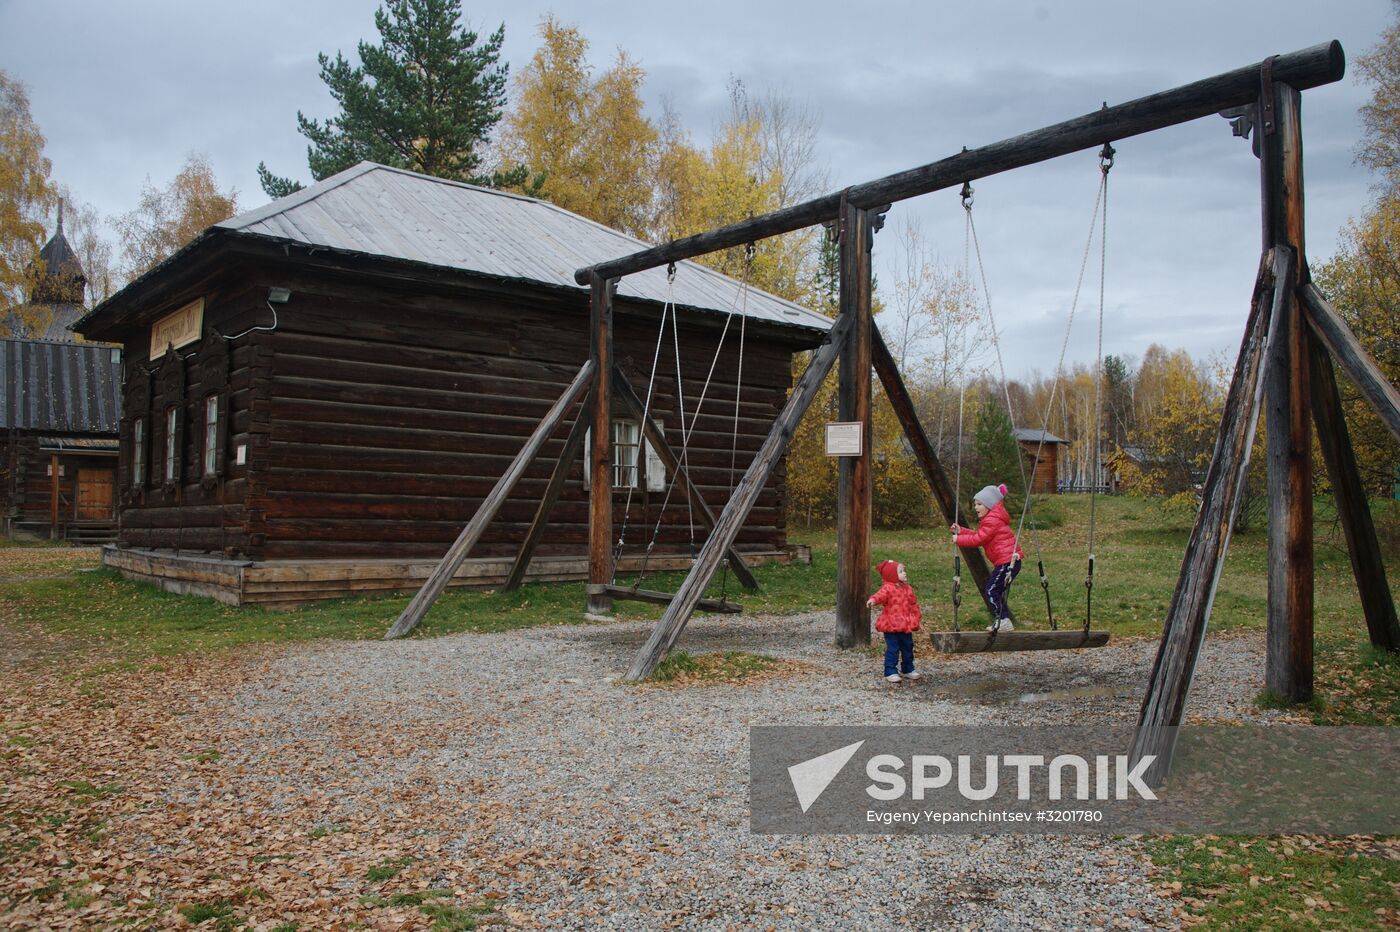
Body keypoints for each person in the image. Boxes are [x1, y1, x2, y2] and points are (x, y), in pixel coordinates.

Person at [950, 483, 1025, 632]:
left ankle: (1003, 620)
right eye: (975, 504)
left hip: (1008, 562)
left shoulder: (992, 520)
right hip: (1007, 561)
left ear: (989, 505)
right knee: (994, 590)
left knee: (991, 590)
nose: (976, 507)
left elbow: (978, 540)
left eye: (979, 504)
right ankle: (1002, 619)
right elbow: (980, 535)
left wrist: (959, 539)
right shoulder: (992, 519)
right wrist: (962, 531)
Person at [866, 559, 923, 683]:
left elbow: (913, 604)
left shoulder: (908, 589)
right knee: (893, 649)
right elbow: (880, 595)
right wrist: (873, 600)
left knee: (908, 647)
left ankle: (908, 668)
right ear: (892, 575)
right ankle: (890, 671)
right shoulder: (888, 588)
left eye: (904, 570)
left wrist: (916, 617)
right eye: (901, 571)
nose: (904, 573)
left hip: (905, 625)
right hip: (891, 627)